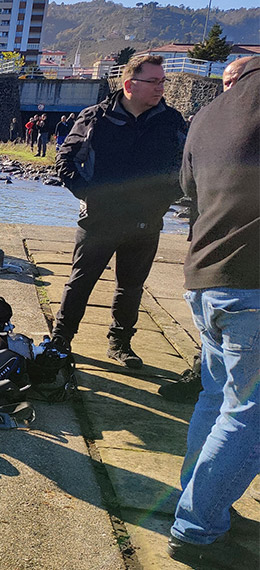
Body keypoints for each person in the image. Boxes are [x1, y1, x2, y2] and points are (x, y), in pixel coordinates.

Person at [166, 55, 259, 567]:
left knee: (217, 397)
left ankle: (197, 494)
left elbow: (189, 191)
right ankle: (198, 525)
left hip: (206, 278)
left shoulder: (207, 115)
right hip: (255, 284)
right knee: (250, 413)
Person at [50, 55, 186, 367]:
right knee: (80, 281)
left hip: (145, 221)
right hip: (99, 219)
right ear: (129, 85)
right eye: (154, 81)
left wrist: (163, 201)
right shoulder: (95, 117)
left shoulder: (171, 121)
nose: (160, 87)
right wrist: (91, 197)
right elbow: (65, 161)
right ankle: (61, 339)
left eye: (163, 81)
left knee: (131, 286)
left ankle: (120, 343)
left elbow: (187, 168)